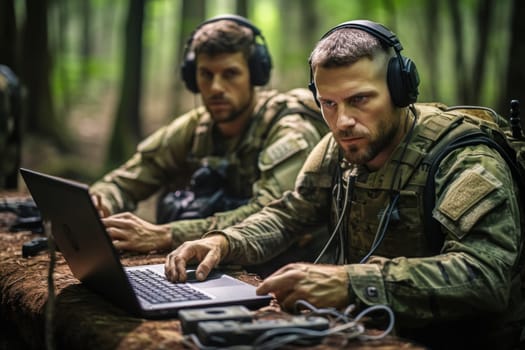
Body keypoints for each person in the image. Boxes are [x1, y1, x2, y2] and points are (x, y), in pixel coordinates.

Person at [164, 19, 525, 349]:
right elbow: (289, 214)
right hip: (374, 334)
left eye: (359, 99)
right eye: (328, 104)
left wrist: (350, 284)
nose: (342, 121)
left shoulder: (464, 159)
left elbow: (484, 275)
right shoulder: (336, 149)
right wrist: (225, 241)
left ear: (400, 90)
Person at [89, 14, 328, 274]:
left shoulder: (289, 130)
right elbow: (128, 179)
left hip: (288, 273)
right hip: (217, 268)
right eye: (205, 74)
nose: (216, 88)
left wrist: (167, 234)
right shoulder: (195, 128)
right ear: (193, 78)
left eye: (231, 74)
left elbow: (271, 214)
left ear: (255, 75)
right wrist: (101, 201)